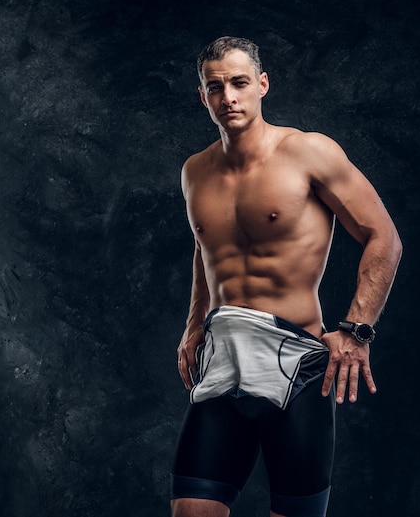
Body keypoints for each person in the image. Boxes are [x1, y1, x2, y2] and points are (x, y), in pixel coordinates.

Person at [170, 36, 402, 517]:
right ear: (203, 96)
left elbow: (384, 237)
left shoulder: (309, 153)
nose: (228, 97)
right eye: (215, 87)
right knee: (192, 510)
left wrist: (358, 329)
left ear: (262, 84)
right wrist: (194, 325)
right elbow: (203, 248)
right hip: (222, 364)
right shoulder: (195, 171)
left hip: (296, 363)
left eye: (238, 83)